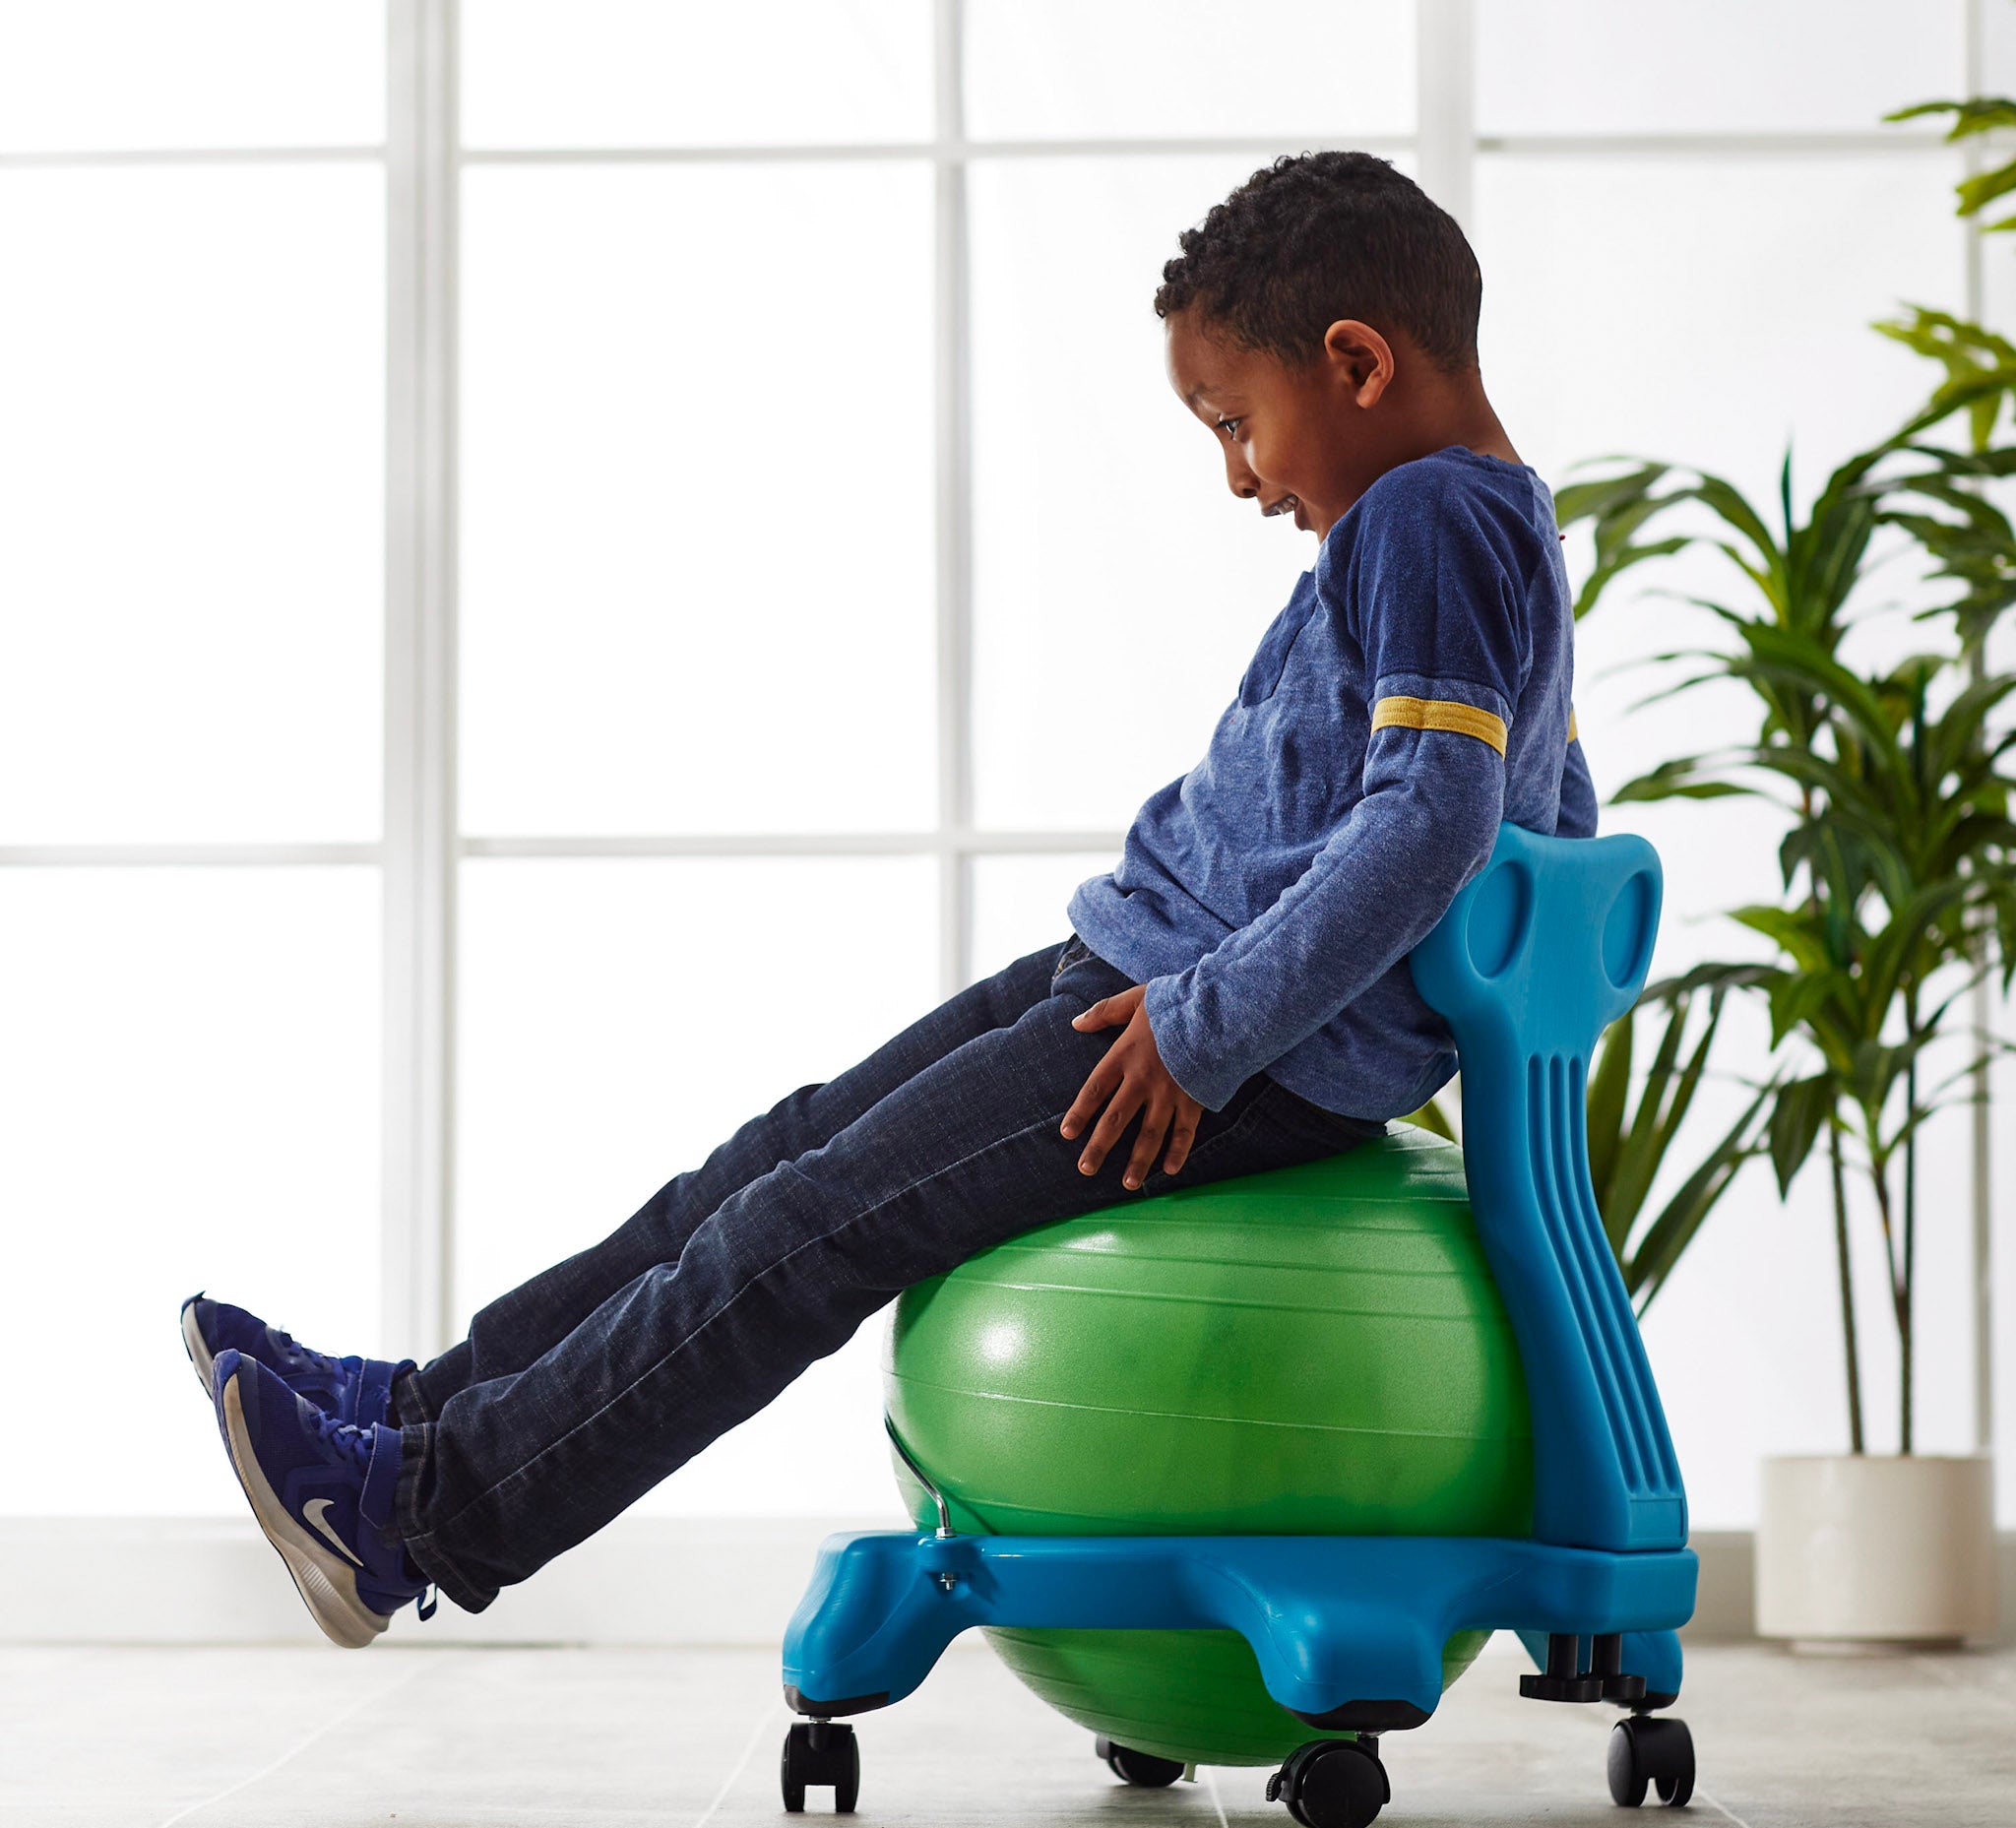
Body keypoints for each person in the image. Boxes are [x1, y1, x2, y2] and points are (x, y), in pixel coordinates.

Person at [184, 151, 1597, 1649]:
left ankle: (416, 1518)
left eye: (1237, 425)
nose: (1241, 478)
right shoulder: (1481, 518)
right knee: (772, 1163)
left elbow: (1433, 823)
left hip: (1204, 1041)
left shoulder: (1427, 516)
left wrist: (1204, 1030)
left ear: (1358, 363)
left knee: (806, 1229)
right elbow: (1528, 810)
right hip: (1141, 977)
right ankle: (418, 1411)